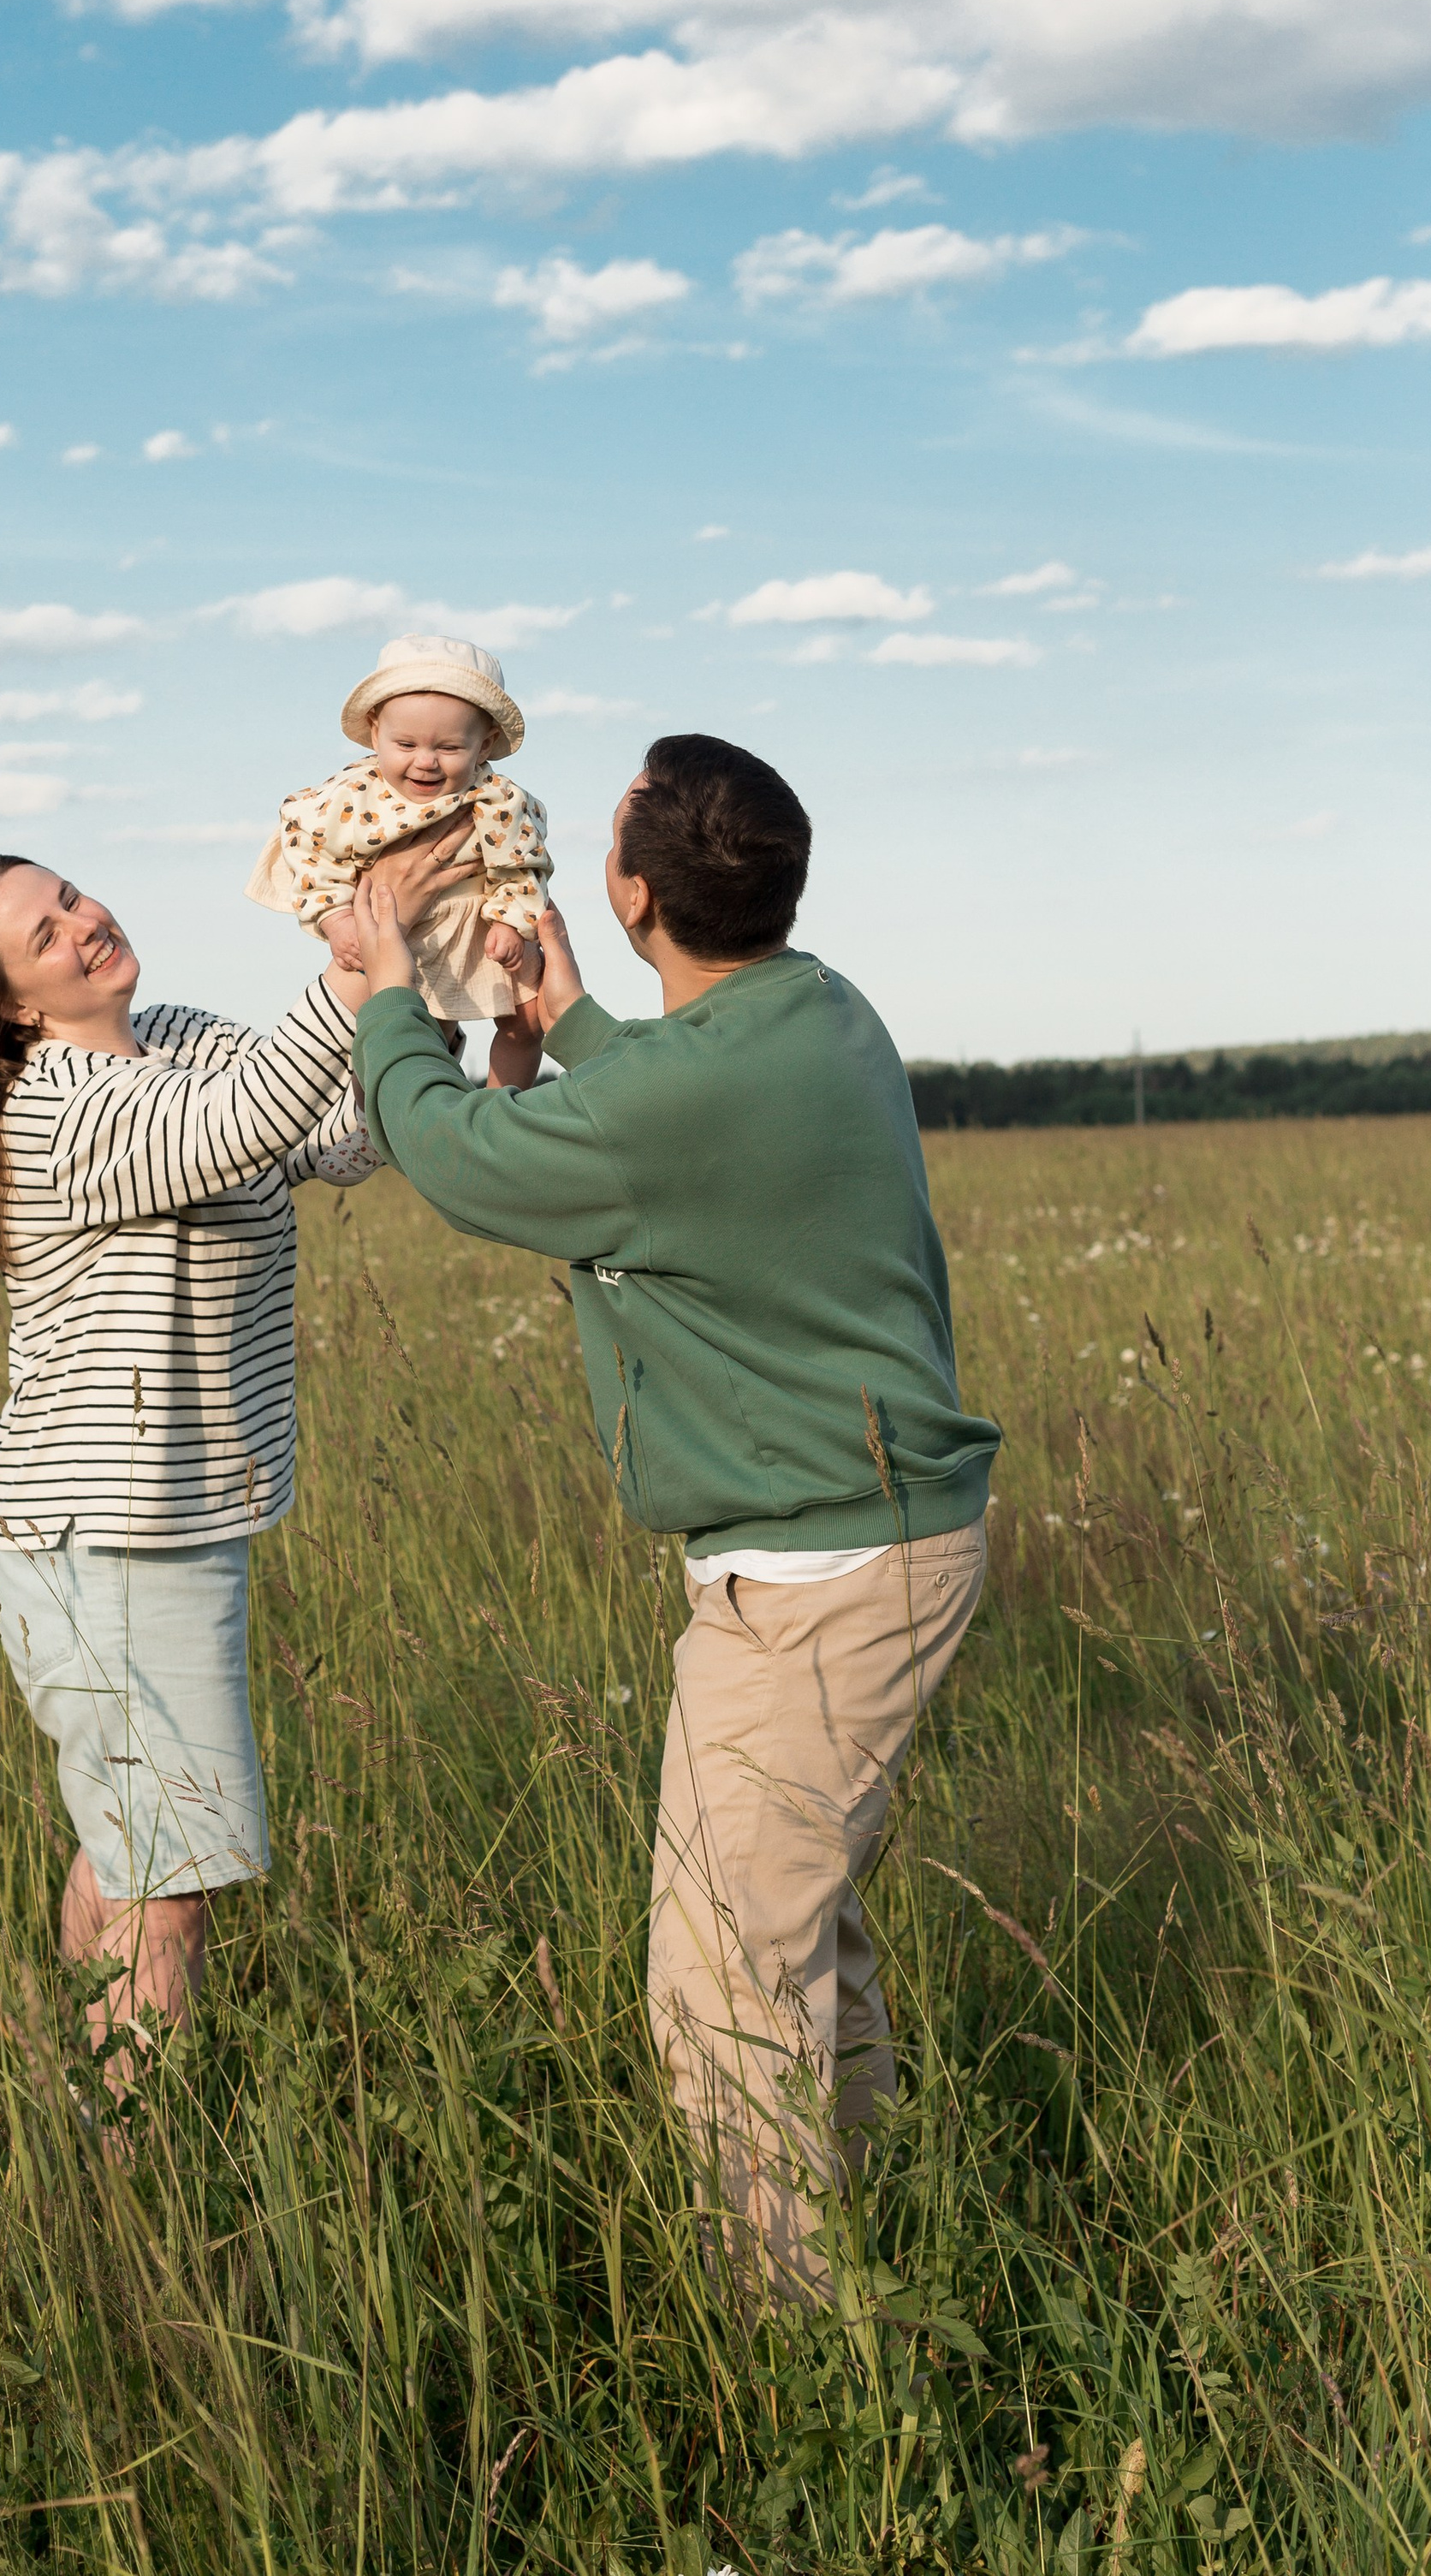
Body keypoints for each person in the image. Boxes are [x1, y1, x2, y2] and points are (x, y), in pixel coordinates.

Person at [348, 735, 1001, 2295]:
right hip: (886, 1541)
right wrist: (568, 1011)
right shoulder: (820, 1010)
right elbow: (674, 1093)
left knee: (722, 1984)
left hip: (814, 1576)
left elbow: (453, 1153)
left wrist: (389, 987)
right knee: (804, 1938)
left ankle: (796, 2347)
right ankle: (878, 2233)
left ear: (633, 891)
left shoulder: (680, 1096)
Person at [0, 840, 450, 2085]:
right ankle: (132, 2159)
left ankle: (87, 2094)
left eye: (72, 898)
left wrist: (423, 993)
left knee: (125, 1849)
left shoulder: (183, 1035)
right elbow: (238, 1123)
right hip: (113, 1546)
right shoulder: (60, 1108)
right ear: (11, 1006)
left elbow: (336, 1133)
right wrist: (357, 969)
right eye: (45, 936)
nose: (84, 924)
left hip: (143, 1535)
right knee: (177, 1882)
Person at [245, 630, 552, 1033]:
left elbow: (520, 864)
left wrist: (511, 921)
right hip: (382, 927)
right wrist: (337, 919)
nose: (426, 762)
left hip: (468, 933)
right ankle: (375, 1098)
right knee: (375, 1038)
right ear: (376, 734)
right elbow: (312, 850)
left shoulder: (497, 799)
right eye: (405, 744)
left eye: (449, 748)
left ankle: (503, 1095)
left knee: (517, 1028)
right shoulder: (354, 793)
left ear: (484, 745)